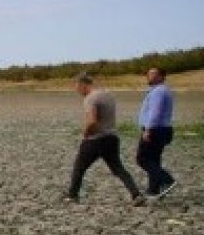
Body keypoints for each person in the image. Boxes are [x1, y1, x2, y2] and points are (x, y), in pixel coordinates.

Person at [67, 73, 142, 205]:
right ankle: (136, 194)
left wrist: (85, 134)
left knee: (79, 167)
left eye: (77, 87)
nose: (77, 91)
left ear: (83, 85)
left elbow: (92, 121)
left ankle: (72, 195)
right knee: (118, 168)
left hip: (96, 139)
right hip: (112, 137)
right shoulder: (108, 95)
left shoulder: (90, 98)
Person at [136, 67, 176, 199]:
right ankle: (154, 190)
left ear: (161, 77)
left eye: (153, 74)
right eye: (148, 74)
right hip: (161, 129)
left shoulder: (159, 91)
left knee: (142, 159)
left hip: (155, 129)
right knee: (154, 159)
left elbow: (155, 112)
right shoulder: (160, 90)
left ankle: (167, 180)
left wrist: (148, 129)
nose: (149, 76)